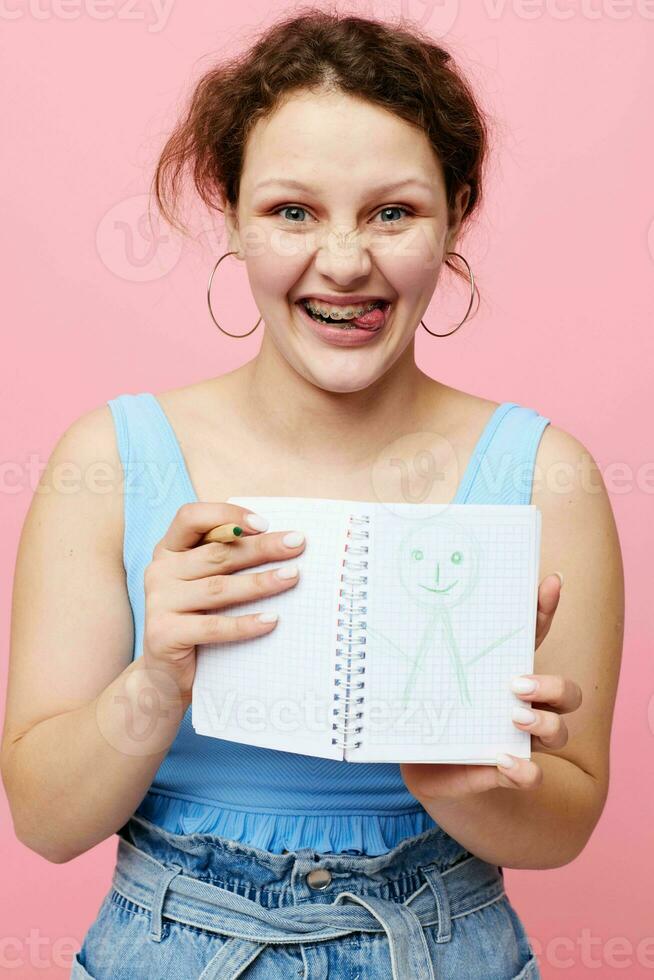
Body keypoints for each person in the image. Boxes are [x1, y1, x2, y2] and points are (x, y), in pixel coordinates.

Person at [2, 11, 624, 980]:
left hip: (447, 944)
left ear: (457, 210)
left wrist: (453, 772)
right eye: (292, 210)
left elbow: (562, 829)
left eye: (393, 211)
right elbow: (43, 820)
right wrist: (154, 682)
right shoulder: (113, 460)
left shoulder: (548, 476)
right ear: (234, 212)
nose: (343, 262)